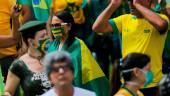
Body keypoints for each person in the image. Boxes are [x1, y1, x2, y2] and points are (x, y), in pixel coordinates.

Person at [92, 0, 169, 96]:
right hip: (129, 84)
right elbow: (97, 27)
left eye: (135, 0)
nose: (131, 4)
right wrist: (113, 5)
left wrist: (138, 5)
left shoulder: (161, 18)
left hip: (152, 84)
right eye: (129, 1)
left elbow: (162, 25)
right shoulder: (125, 19)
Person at [47, 11, 109, 96]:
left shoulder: (78, 45)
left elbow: (90, 71)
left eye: (57, 25)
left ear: (69, 26)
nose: (54, 28)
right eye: (52, 25)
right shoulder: (52, 46)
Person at [4, 21, 51, 96]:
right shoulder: (19, 65)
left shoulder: (54, 59)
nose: (47, 38)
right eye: (42, 36)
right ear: (31, 41)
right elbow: (8, 92)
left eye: (47, 35)